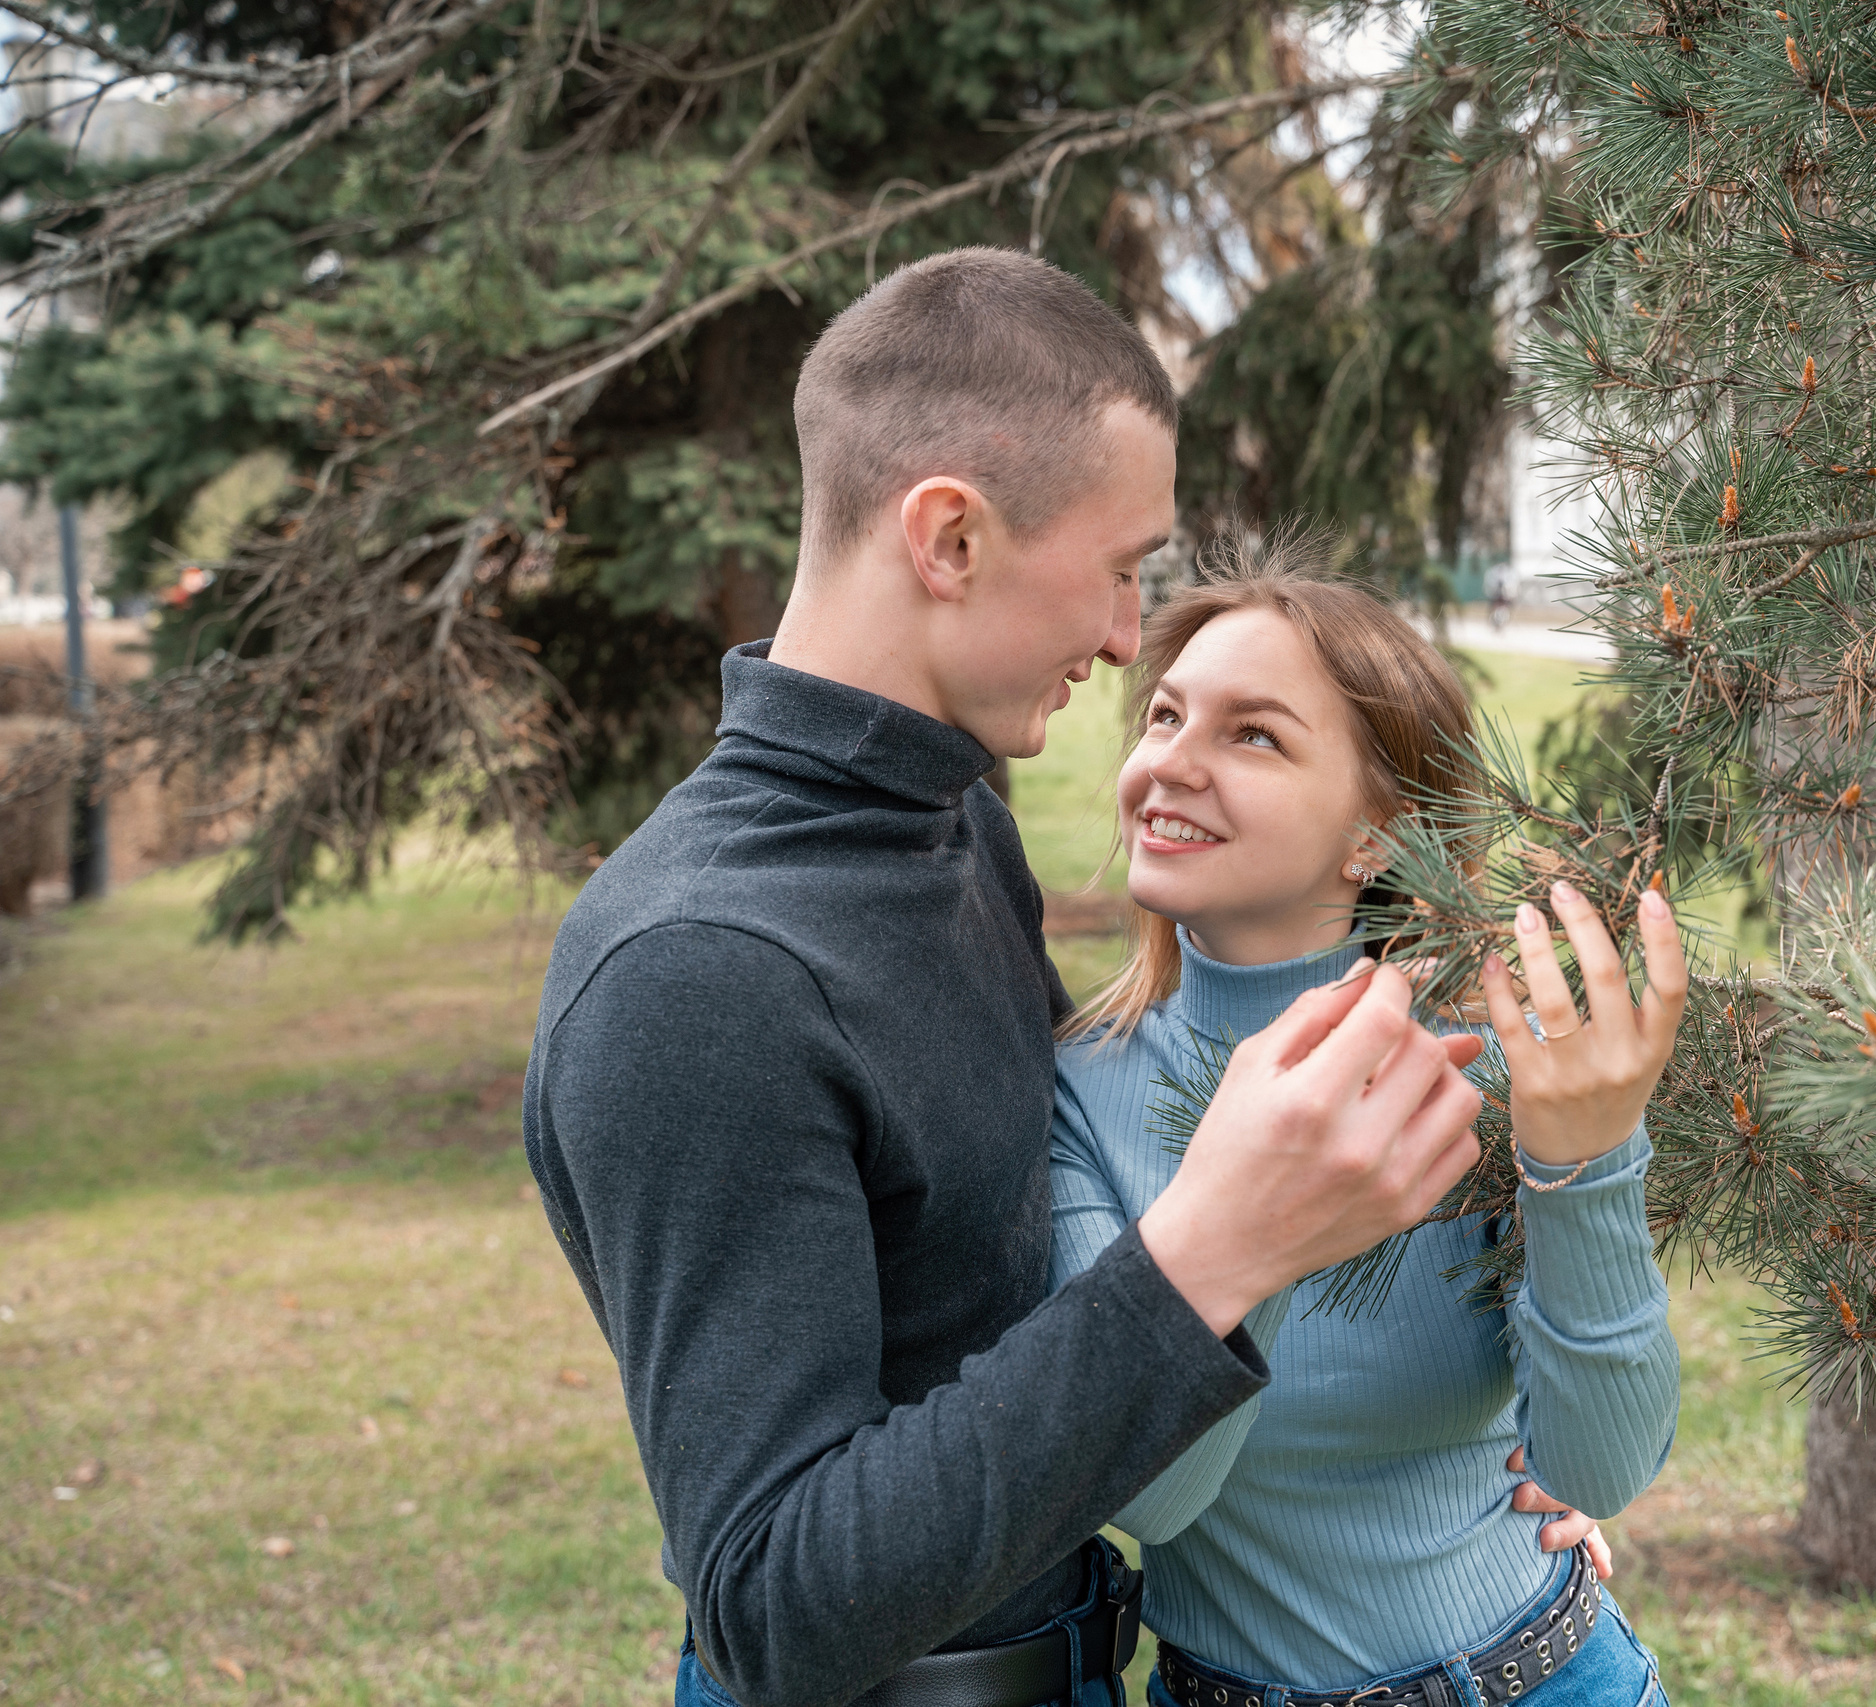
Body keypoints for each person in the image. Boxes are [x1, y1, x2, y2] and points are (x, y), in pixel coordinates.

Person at [523, 250, 1498, 1707]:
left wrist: (1496, 1498)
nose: (1124, 636)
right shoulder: (699, 973)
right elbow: (776, 1606)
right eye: (1120, 570)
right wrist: (1208, 1257)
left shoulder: (952, 817)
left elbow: (1029, 1283)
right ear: (951, 539)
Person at [1049, 547, 1688, 1707]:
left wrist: (1583, 1162)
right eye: (1164, 716)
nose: (1166, 766)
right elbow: (1144, 1498)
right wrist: (1274, 1216)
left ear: (1376, 836)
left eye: (1253, 735)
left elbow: (1600, 1464)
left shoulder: (1492, 1068)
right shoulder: (1078, 1090)